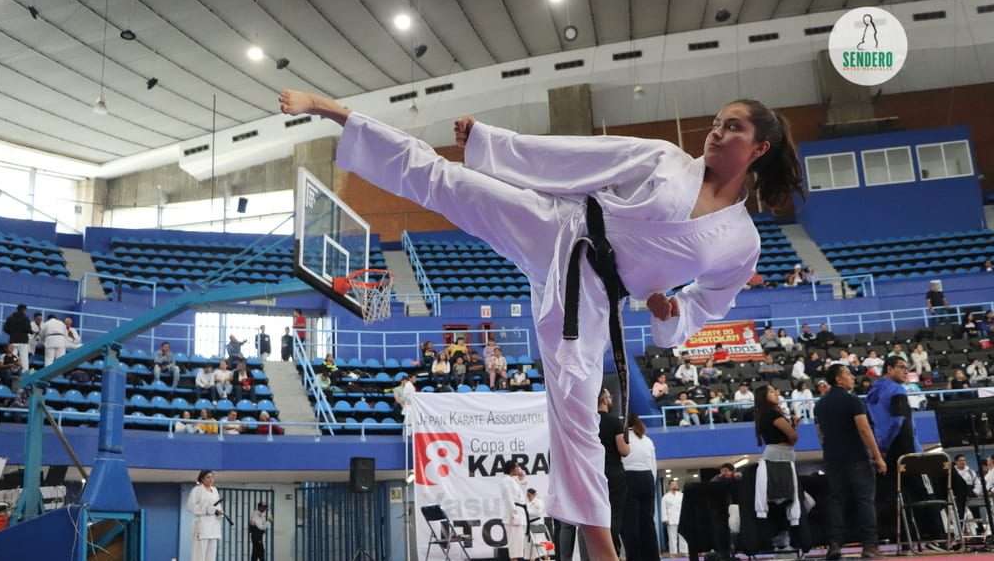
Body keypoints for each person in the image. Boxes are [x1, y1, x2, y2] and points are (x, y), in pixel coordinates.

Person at [279, 89, 801, 560]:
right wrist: (489, 144)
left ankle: (599, 545)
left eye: (733, 127)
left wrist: (674, 312)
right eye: (717, 121)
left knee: (575, 411)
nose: (717, 131)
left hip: (594, 298)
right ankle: (336, 112)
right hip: (560, 229)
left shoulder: (740, 242)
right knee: (445, 180)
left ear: (759, 148)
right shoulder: (666, 160)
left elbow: (707, 303)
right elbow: (576, 157)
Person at [814, 364, 886, 560]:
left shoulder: (820, 405)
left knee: (836, 501)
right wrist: (877, 456)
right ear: (838, 379)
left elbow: (820, 434)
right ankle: (869, 545)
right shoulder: (852, 400)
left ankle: (834, 544)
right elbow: (864, 429)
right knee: (864, 501)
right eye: (848, 374)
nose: (853, 377)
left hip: (832, 459)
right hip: (856, 457)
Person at [867, 355, 935, 543]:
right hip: (903, 447)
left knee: (890, 495)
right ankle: (932, 534)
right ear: (889, 369)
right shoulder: (897, 390)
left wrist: (880, 448)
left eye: (907, 367)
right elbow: (899, 422)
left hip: (883, 450)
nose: (906, 371)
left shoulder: (872, 392)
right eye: (901, 367)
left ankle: (897, 536)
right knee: (920, 493)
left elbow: (872, 423)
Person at [753, 384, 801, 539]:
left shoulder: (764, 414)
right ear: (764, 397)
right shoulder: (772, 414)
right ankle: (784, 533)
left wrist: (792, 428)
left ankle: (781, 534)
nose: (776, 393)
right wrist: (792, 432)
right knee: (785, 496)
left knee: (781, 497)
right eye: (772, 392)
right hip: (779, 457)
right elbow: (792, 436)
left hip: (779, 454)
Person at [620, 414, 660, 561]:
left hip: (628, 478)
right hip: (647, 478)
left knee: (630, 525)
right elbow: (653, 465)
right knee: (648, 523)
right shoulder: (647, 440)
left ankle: (634, 558)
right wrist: (651, 484)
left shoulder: (623, 439)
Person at [597, 388, 631, 554]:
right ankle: (612, 552)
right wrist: (627, 441)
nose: (611, 399)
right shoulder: (614, 421)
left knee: (597, 516)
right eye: (609, 396)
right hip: (613, 473)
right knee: (614, 515)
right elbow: (624, 450)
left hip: (594, 474)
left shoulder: (587, 422)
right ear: (604, 399)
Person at [188, 470, 223, 561]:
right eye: (208, 477)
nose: (211, 479)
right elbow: (191, 506)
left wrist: (219, 512)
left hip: (213, 527)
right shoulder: (197, 490)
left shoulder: (215, 490)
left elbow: (218, 506)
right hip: (202, 527)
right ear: (202, 479)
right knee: (199, 555)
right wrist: (206, 510)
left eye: (212, 477)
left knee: (211, 556)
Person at [500, 460, 529, 561]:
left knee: (519, 545)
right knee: (514, 546)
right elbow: (508, 498)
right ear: (512, 469)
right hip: (513, 515)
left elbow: (523, 489)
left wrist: (522, 475)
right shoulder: (506, 481)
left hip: (520, 512)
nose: (519, 468)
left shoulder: (513, 480)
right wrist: (514, 514)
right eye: (517, 467)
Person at [2, 304, 33, 372]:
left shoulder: (10, 318)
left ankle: (11, 371)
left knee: (13, 357)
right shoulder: (26, 318)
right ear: (24, 310)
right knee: (24, 358)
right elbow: (28, 329)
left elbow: (5, 329)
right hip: (23, 341)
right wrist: (31, 332)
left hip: (13, 340)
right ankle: (25, 372)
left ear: (17, 309)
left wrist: (12, 333)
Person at [661, 480, 686, 555]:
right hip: (671, 519)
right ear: (669, 486)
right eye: (673, 484)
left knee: (683, 536)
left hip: (681, 518)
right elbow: (663, 508)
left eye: (676, 484)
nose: (674, 485)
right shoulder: (665, 497)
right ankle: (673, 552)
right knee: (672, 537)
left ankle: (684, 551)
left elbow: (685, 507)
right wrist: (665, 519)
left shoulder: (682, 495)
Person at [526, 488, 551, 561]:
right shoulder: (527, 503)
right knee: (532, 546)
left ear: (533, 494)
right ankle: (533, 558)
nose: (528, 497)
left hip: (538, 525)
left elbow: (538, 512)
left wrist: (527, 512)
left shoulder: (538, 502)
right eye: (527, 495)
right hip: (531, 526)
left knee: (541, 543)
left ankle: (546, 558)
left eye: (529, 495)